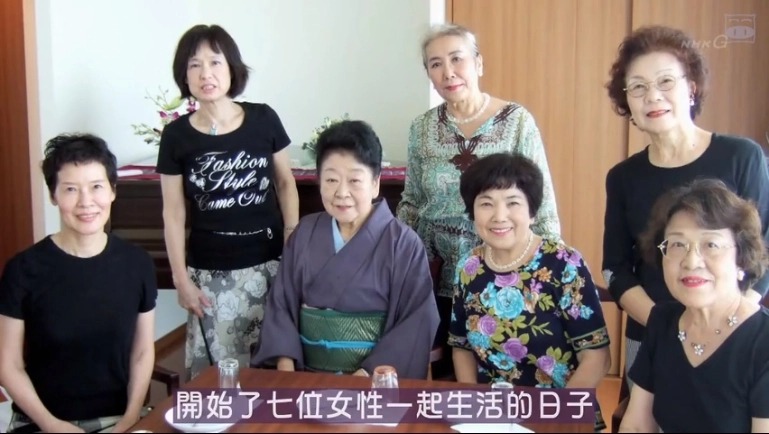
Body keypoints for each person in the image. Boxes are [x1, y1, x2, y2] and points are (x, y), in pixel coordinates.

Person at [601, 25, 769, 383]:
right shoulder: (623, 177)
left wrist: (731, 321)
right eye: (638, 87)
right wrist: (663, 326)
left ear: (691, 88)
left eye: (665, 82)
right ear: (627, 102)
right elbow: (615, 268)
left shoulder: (742, 157)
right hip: (650, 335)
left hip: (732, 335)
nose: (652, 96)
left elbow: (764, 249)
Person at [396, 23, 561, 367]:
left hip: (502, 272)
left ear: (478, 63)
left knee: (499, 370)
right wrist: (396, 260)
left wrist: (546, 273)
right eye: (436, 64)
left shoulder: (517, 122)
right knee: (441, 374)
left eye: (457, 59)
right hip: (435, 276)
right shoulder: (421, 128)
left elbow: (541, 202)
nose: (448, 72)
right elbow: (411, 202)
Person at [157, 24, 299, 379]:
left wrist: (291, 239)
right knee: (219, 376)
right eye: (194, 65)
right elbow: (173, 212)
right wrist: (181, 280)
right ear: (184, 75)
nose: (205, 73)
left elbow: (285, 183)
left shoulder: (263, 118)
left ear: (232, 68)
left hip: (269, 264)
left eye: (215, 62)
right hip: (210, 272)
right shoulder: (176, 136)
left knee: (274, 367)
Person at [251, 120, 440, 379]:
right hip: (304, 378)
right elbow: (280, 306)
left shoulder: (403, 243)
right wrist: (287, 371)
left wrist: (366, 376)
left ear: (375, 183)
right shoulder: (305, 232)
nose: (341, 192)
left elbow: (416, 322)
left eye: (354, 180)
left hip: (373, 379)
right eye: (331, 179)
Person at [0, 134, 158, 433]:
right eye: (71, 189)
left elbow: (141, 352)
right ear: (53, 195)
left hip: (117, 419)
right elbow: (8, 365)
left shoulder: (137, 263)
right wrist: (51, 424)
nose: (86, 202)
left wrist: (130, 418)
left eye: (96, 187)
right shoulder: (23, 270)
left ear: (113, 191)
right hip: (42, 422)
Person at [449, 153, 610, 432]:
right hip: (492, 418)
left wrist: (557, 418)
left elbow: (597, 357)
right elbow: (461, 346)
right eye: (486, 203)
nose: (499, 216)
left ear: (532, 212)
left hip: (560, 416)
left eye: (512, 203)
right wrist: (475, 411)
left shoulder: (563, 263)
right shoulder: (468, 266)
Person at [619, 179, 769, 433]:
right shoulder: (662, 321)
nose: (691, 261)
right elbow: (636, 426)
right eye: (678, 244)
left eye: (711, 244)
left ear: (741, 259)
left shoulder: (762, 343)